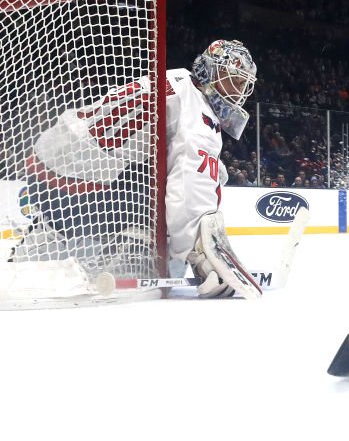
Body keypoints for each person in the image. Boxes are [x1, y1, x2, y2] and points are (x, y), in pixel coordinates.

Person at [12, 39, 262, 299]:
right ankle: (133, 252)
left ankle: (45, 236)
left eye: (244, 83)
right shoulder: (197, 109)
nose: (239, 90)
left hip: (50, 168)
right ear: (209, 72)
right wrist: (200, 254)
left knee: (186, 168)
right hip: (82, 185)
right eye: (233, 79)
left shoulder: (177, 81)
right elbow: (189, 186)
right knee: (167, 182)